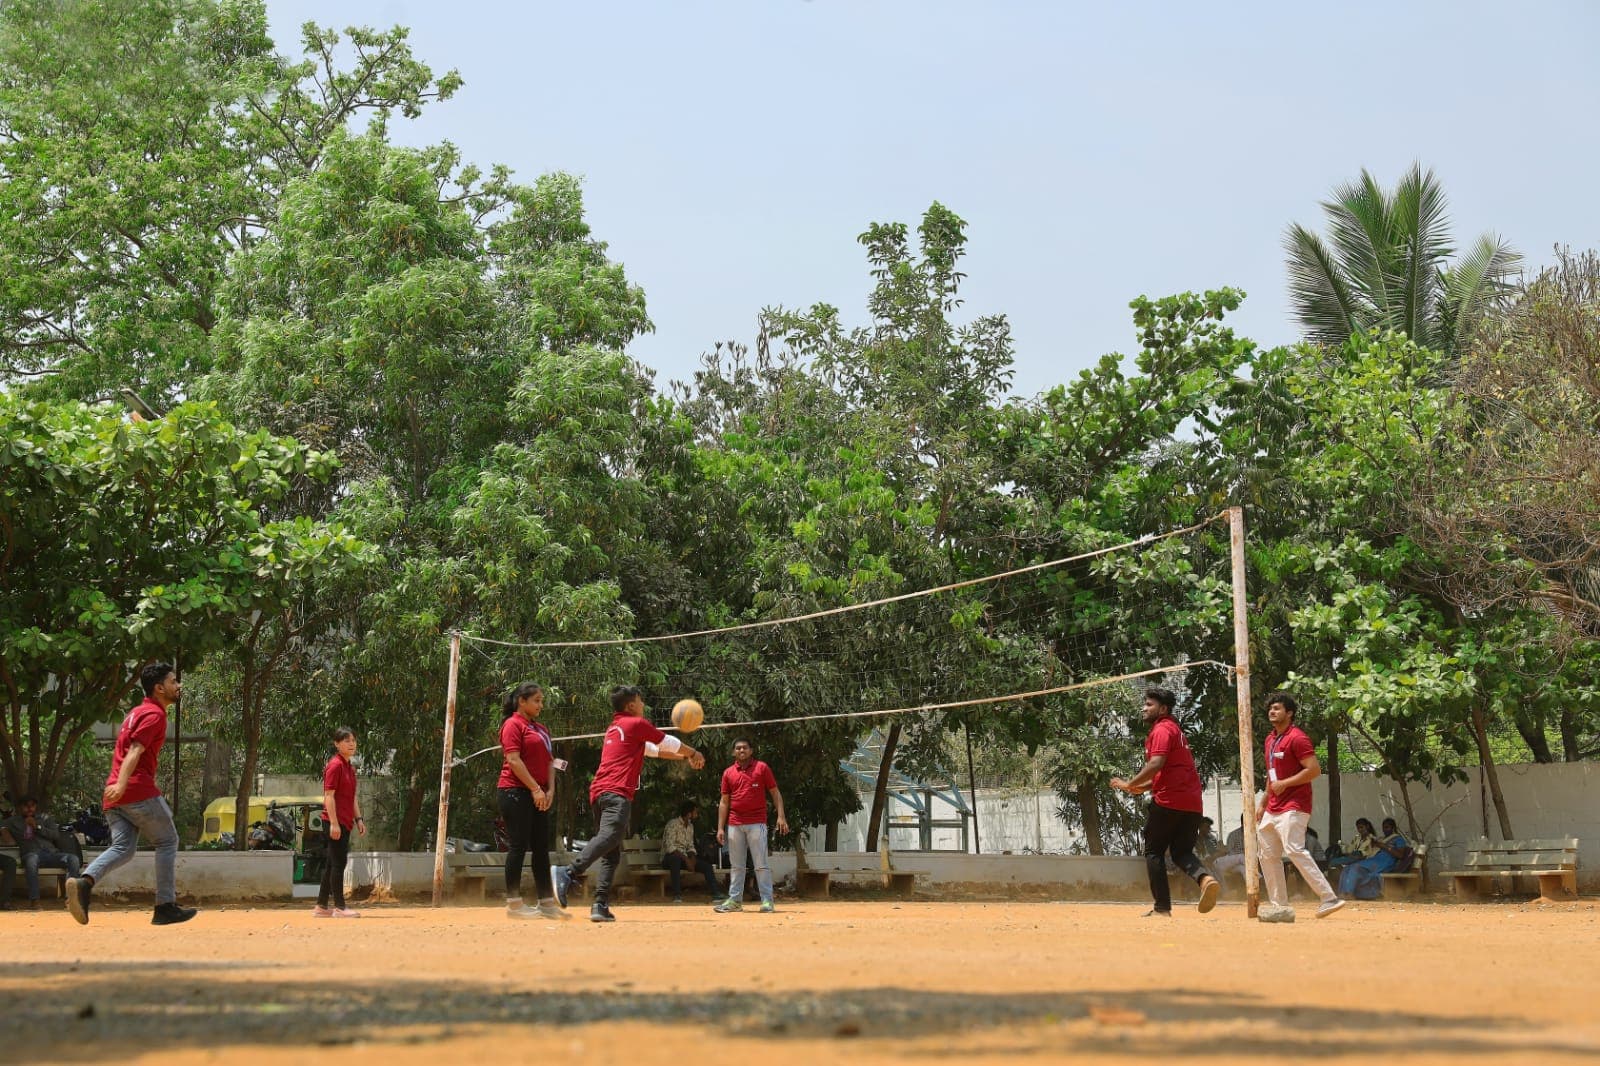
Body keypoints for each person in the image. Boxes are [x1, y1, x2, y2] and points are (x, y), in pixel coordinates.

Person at [555, 686, 706, 922]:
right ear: (631, 706)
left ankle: (600, 905)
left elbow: (656, 751)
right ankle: (568, 871)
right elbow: (667, 742)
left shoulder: (616, 728)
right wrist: (693, 752)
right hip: (616, 792)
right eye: (641, 700)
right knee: (611, 836)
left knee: (611, 854)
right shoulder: (635, 724)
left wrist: (687, 757)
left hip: (600, 792)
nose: (644, 704)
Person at [67, 662, 197, 926]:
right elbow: (135, 751)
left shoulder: (136, 712)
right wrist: (124, 785)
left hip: (114, 795)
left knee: (123, 848)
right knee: (167, 841)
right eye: (173, 681)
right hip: (135, 789)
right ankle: (165, 906)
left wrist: (117, 787)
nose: (178, 685)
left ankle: (84, 882)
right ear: (159, 688)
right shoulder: (154, 715)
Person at [1111, 687, 1221, 917]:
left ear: (1163, 709)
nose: (1144, 708)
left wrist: (1130, 783)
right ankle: (1205, 879)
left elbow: (1156, 764)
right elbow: (1168, 774)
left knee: (1153, 851)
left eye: (1149, 704)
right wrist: (1141, 787)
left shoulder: (1161, 730)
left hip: (1169, 801)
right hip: (1191, 804)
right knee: (1181, 852)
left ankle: (1162, 908)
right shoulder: (1177, 732)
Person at [1255, 691, 1345, 921]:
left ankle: (1329, 898)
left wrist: (1285, 784)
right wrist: (1263, 802)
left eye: (1277, 708)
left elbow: (1313, 770)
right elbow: (1271, 774)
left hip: (1295, 805)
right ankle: (1279, 906)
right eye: (1270, 709)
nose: (1272, 712)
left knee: (1294, 848)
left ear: (1289, 713)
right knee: (1266, 854)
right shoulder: (1270, 739)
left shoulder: (1298, 738)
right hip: (1273, 807)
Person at [497, 682, 568, 921]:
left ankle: (546, 902)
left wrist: (550, 790)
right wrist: (535, 789)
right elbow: (514, 760)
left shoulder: (541, 729)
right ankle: (514, 905)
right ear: (521, 701)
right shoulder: (512, 725)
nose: (541, 705)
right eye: (536, 700)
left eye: (541, 700)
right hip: (515, 791)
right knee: (518, 845)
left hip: (539, 793)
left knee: (540, 847)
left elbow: (551, 762)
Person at [715, 737, 789, 914]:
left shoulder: (761, 768)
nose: (741, 751)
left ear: (751, 750)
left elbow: (775, 792)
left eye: (745, 748)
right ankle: (734, 901)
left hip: (757, 823)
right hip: (734, 824)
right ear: (734, 752)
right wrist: (720, 827)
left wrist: (781, 816)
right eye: (738, 748)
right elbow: (724, 802)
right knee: (737, 866)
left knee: (761, 864)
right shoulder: (728, 773)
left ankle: (767, 901)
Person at [314, 727, 365, 918]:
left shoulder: (349, 767)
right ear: (337, 744)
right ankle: (340, 908)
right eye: (346, 740)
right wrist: (334, 824)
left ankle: (321, 906)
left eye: (353, 740)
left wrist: (358, 819)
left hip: (345, 821)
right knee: (338, 864)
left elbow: (351, 798)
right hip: (334, 822)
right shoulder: (335, 765)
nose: (351, 743)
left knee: (331, 864)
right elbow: (328, 796)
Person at [1, 796, 82, 909]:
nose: (29, 809)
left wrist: (37, 827)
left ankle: (70, 900)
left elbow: (55, 835)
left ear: (36, 807)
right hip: (31, 854)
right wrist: (4, 831)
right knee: (32, 859)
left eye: (32, 806)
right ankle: (35, 901)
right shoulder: (13, 821)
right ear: (20, 807)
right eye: (26, 806)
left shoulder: (45, 819)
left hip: (51, 854)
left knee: (73, 859)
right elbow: (2, 825)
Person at [662, 800, 721, 903]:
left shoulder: (690, 826)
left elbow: (690, 845)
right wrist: (686, 860)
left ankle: (716, 894)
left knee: (706, 866)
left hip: (684, 858)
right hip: (670, 858)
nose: (697, 815)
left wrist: (692, 859)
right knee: (675, 860)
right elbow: (670, 847)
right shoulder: (673, 824)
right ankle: (677, 895)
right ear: (689, 814)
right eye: (695, 812)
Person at [1338, 817, 1410, 900]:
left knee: (1355, 868)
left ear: (1393, 828)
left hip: (1385, 862)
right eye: (1383, 827)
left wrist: (1384, 846)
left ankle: (1349, 893)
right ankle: (1342, 893)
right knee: (1347, 868)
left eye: (1387, 827)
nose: (1384, 830)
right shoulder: (1382, 839)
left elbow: (1400, 855)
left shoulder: (1398, 839)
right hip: (1374, 860)